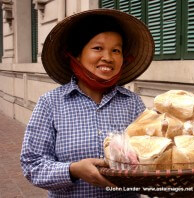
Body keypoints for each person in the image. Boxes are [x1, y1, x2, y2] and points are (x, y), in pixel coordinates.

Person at [20, 9, 154, 197]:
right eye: (98, 48)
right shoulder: (50, 103)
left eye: (116, 50)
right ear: (76, 56)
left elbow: (150, 154)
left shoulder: (133, 103)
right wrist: (73, 170)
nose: (108, 57)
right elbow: (32, 165)